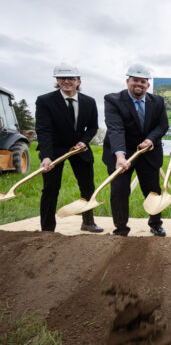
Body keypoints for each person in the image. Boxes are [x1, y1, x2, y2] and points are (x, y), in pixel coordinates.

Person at [35, 63, 103, 233]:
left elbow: (93, 127)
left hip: (80, 150)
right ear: (57, 80)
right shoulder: (45, 101)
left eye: (71, 78)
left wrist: (84, 142)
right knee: (51, 188)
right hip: (54, 151)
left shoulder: (89, 101)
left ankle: (88, 222)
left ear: (78, 81)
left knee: (88, 187)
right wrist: (46, 156)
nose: (66, 82)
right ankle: (47, 229)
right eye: (62, 78)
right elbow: (43, 130)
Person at [102, 63, 168, 237]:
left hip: (149, 151)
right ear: (127, 81)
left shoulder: (158, 101)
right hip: (122, 152)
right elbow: (116, 128)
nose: (138, 84)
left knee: (152, 189)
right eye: (135, 80)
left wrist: (150, 139)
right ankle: (121, 228)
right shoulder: (113, 100)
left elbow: (162, 125)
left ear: (148, 84)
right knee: (120, 190)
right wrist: (120, 155)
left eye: (142, 81)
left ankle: (156, 224)